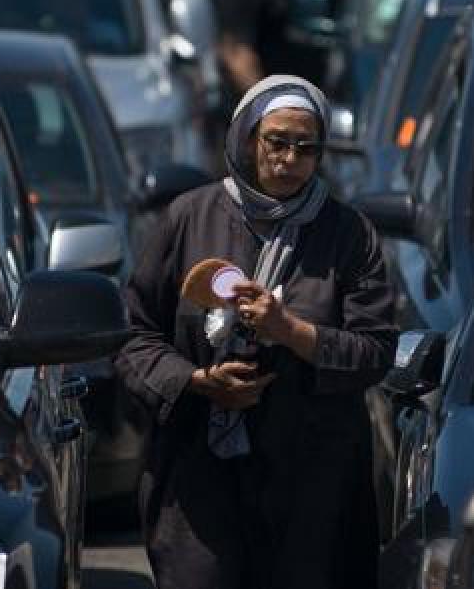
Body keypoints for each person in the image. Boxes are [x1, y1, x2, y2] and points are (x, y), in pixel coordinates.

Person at [116, 75, 397, 589]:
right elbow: (136, 335)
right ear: (248, 138)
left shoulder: (348, 235)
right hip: (200, 480)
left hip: (311, 484)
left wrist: (288, 329)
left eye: (305, 148)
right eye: (277, 142)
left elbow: (375, 351)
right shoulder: (188, 219)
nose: (289, 159)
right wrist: (197, 381)